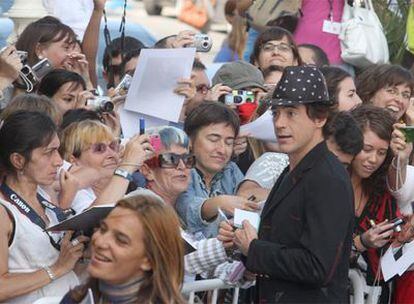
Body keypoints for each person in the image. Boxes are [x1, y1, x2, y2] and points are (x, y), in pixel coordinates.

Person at [226, 66, 354, 302]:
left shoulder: (328, 179)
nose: (280, 123)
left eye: (291, 113)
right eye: (276, 113)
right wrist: (243, 243)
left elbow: (317, 267)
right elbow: (281, 243)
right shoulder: (292, 168)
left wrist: (253, 249)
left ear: (320, 118)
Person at [0, 111, 87, 303]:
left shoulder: (43, 195)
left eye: (58, 150)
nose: (58, 161)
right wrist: (57, 269)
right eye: (48, 152)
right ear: (18, 160)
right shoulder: (3, 211)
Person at [61, 194, 186, 304]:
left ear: (148, 260)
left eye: (120, 240)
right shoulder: (76, 298)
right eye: (102, 229)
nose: (99, 242)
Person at [237, 110, 364, 201]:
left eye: (344, 165)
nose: (335, 167)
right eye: (333, 158)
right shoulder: (275, 161)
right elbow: (244, 195)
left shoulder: (338, 186)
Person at [175, 102, 258, 238]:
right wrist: (219, 203)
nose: (222, 150)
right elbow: (186, 208)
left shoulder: (230, 170)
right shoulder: (181, 169)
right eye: (213, 139)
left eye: (229, 142)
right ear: (190, 140)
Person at [348, 104, 400, 303]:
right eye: (367, 149)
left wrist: (401, 238)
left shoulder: (382, 192)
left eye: (381, 152)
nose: (373, 159)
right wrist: (361, 243)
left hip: (374, 293)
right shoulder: (331, 184)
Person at [59, 119, 153, 212]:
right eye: (99, 149)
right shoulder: (74, 191)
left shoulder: (131, 190)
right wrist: (127, 167)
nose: (111, 154)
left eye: (113, 146)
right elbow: (95, 218)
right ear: (74, 160)